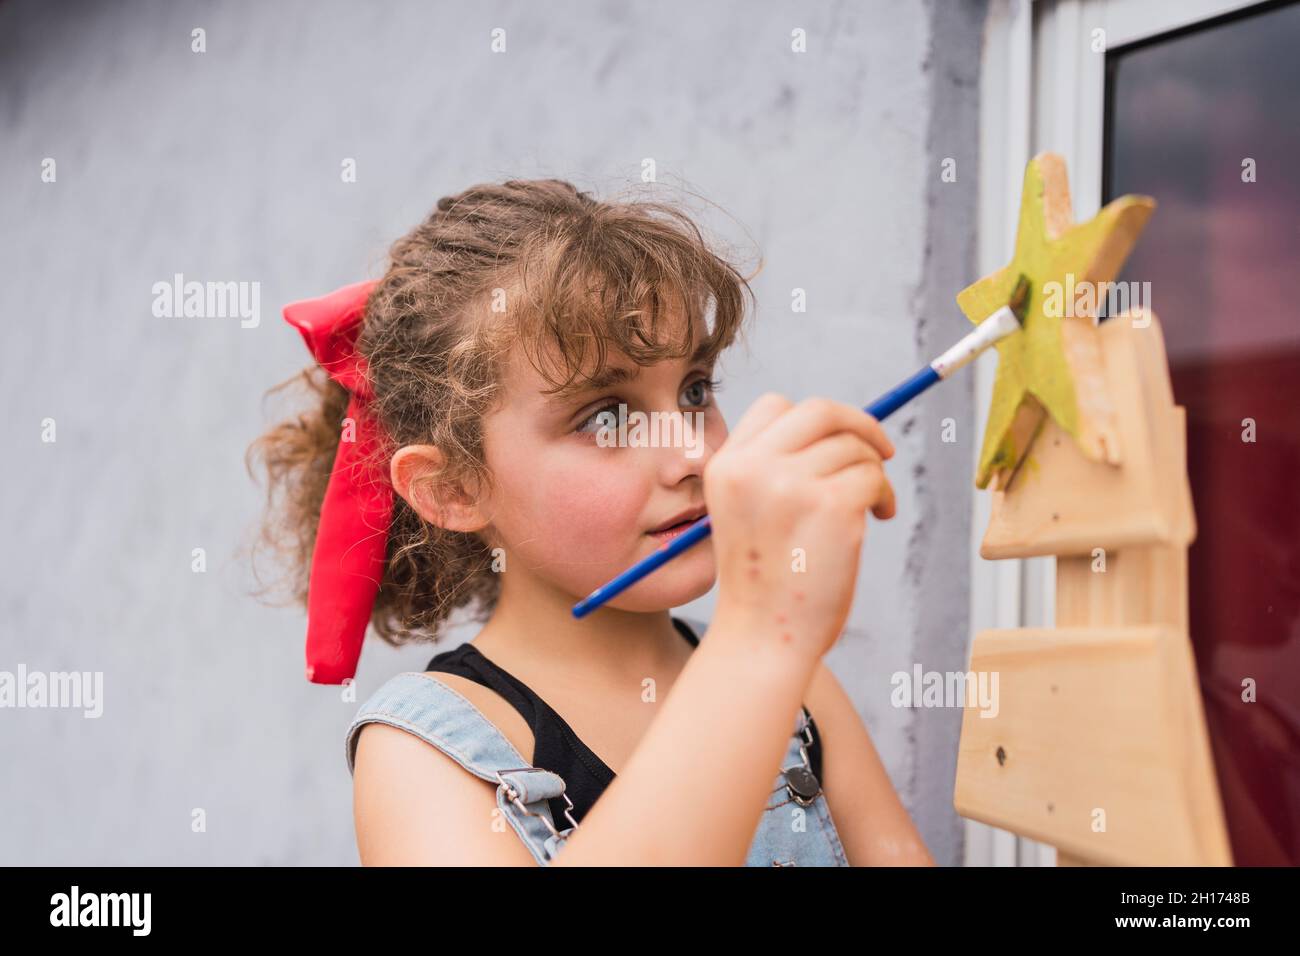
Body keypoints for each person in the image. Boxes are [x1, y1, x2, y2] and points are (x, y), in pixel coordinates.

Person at [248, 179, 933, 866]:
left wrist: (773, 644)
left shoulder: (797, 688)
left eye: (696, 390)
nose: (696, 454)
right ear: (452, 489)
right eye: (606, 417)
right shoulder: (426, 751)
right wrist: (760, 637)